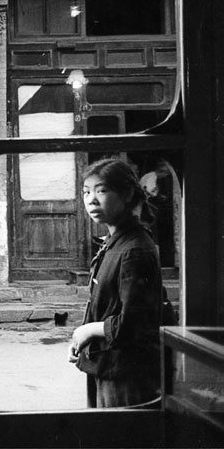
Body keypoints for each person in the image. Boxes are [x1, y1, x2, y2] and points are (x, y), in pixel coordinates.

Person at [68, 158, 162, 408]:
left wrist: (88, 331)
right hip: (107, 363)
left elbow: (133, 323)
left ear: (127, 193)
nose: (91, 200)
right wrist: (83, 341)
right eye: (86, 192)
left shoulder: (133, 250)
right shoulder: (115, 242)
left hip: (125, 373)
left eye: (102, 191)